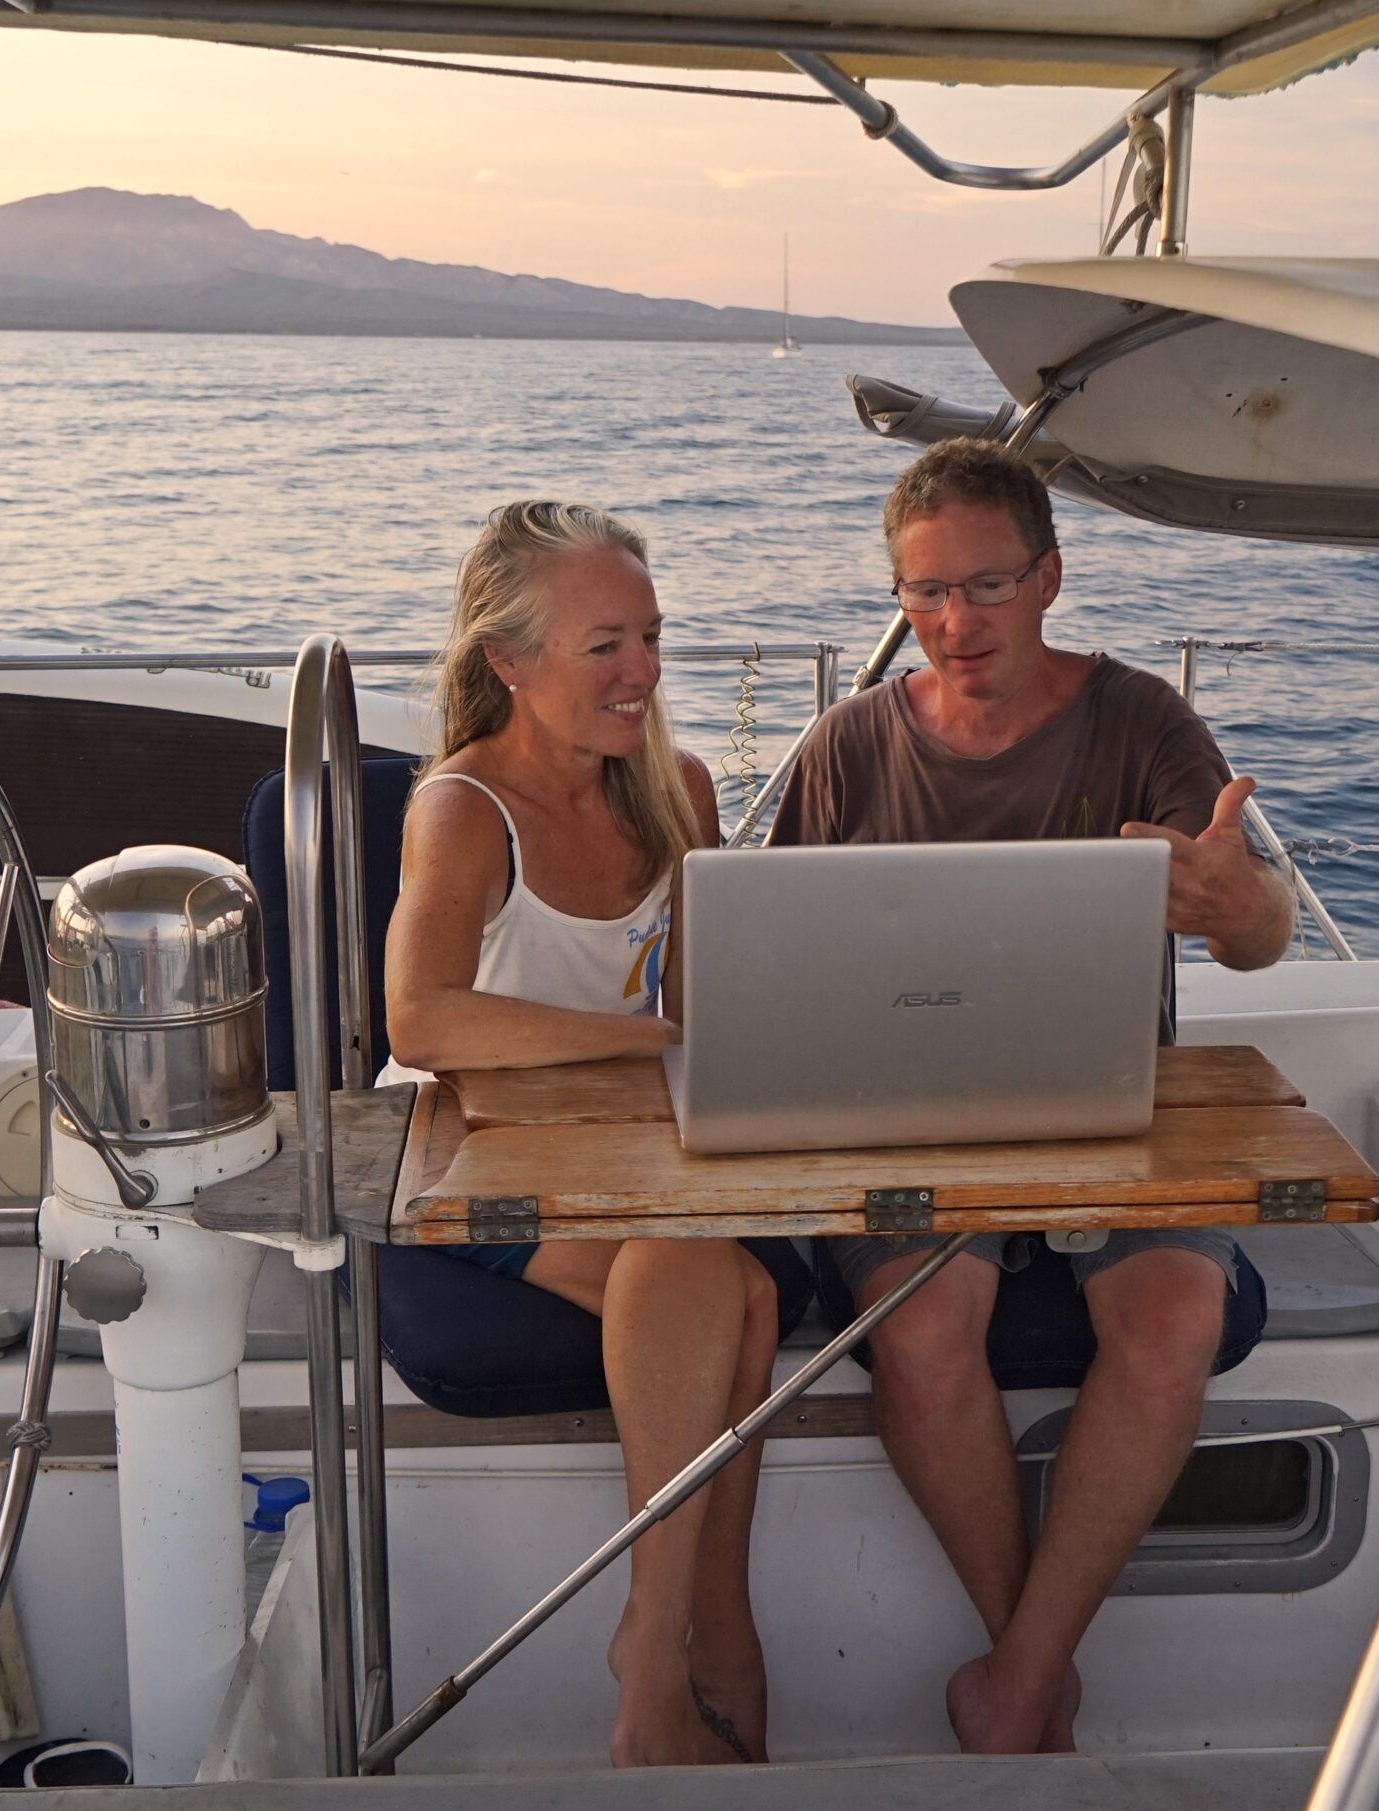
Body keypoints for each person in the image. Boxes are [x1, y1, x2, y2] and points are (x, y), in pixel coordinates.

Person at [769, 438, 1293, 1755]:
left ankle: (1013, 1681)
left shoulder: (1144, 724)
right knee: (923, 1316)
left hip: (1117, 1111)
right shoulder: (845, 745)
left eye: (984, 587)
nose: (953, 624)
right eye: (924, 594)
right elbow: (775, 956)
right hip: (903, 1120)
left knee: (1176, 1313)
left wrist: (1235, 905)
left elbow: (1259, 929)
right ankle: (1028, 1681)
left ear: (1049, 577)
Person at [381, 500, 777, 1768]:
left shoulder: (680, 790)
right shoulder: (462, 810)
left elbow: (711, 1006)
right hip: (469, 1159)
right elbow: (422, 1017)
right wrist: (646, 1042)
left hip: (631, 1152)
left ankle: (703, 1626)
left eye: (652, 637)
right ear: (509, 661)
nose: (643, 673)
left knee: (742, 1291)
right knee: (704, 1271)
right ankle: (671, 1647)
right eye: (604, 644)